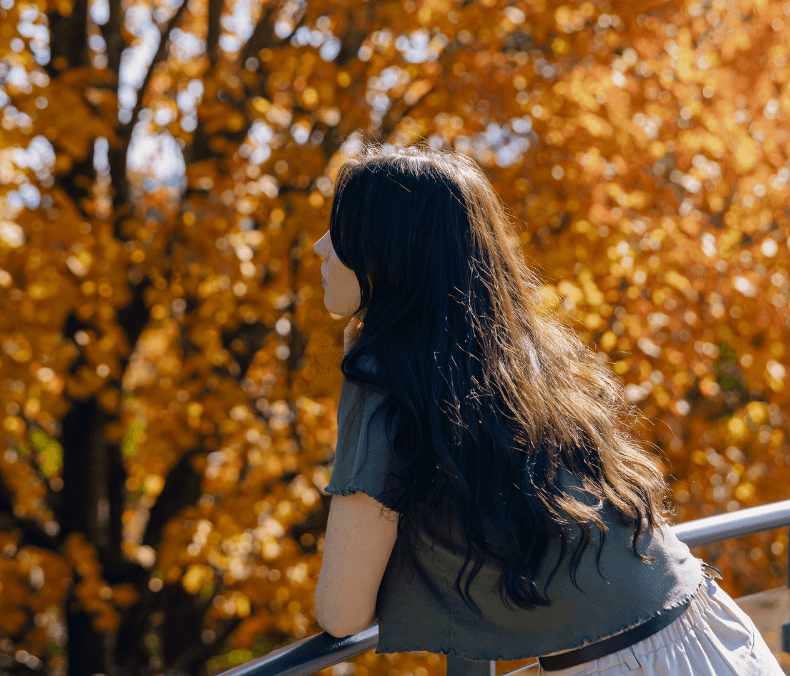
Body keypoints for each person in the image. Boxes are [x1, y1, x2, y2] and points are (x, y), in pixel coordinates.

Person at [310, 142, 784, 676]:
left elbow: (341, 611)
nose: (319, 247)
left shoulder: (386, 381)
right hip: (713, 630)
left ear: (390, 252)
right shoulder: (522, 359)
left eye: (341, 229)